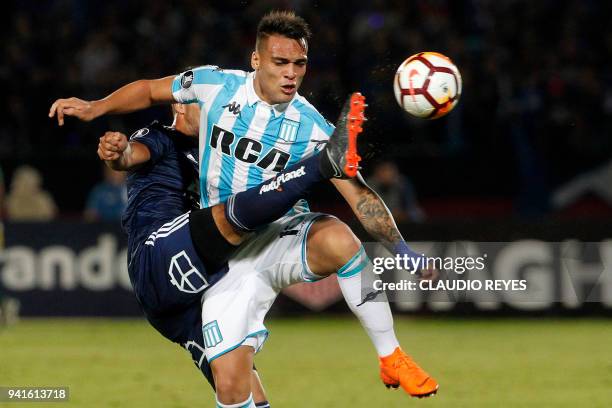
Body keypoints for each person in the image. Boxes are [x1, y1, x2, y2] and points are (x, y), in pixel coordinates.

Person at [50, 11, 438, 405]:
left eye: (299, 64)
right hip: (225, 262)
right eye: (280, 62)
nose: (290, 74)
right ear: (256, 60)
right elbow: (151, 90)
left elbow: (360, 196)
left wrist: (402, 249)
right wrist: (96, 107)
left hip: (275, 236)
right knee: (234, 386)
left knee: (341, 239)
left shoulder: (313, 128)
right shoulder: (214, 85)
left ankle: (391, 355)